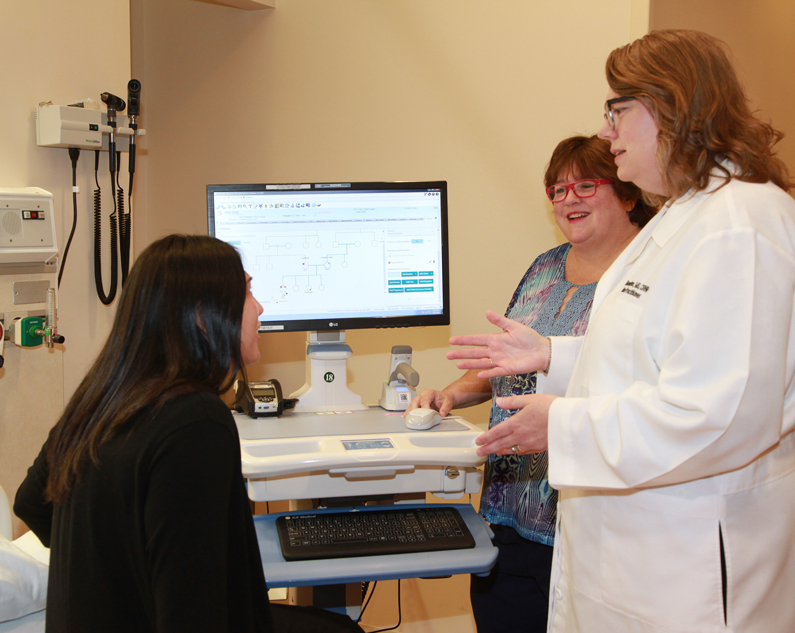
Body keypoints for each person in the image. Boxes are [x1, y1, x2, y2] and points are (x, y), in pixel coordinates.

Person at [448, 30, 795, 632]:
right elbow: (651, 350)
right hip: (635, 559)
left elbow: (718, 413)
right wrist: (549, 353)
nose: (606, 132)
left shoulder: (740, 224)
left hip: (687, 573)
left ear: (671, 107)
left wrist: (559, 423)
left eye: (617, 111)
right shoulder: (684, 216)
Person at [14, 235, 361, 633]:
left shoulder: (101, 398)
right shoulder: (195, 422)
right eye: (248, 293)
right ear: (201, 316)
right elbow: (193, 614)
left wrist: (116, 582)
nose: (260, 308)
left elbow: (32, 504)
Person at [406, 135, 655, 633]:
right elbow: (508, 359)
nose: (568, 200)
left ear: (628, 192)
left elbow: (643, 388)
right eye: (557, 190)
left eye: (585, 185)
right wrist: (452, 394)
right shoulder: (544, 268)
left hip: (582, 520)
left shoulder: (645, 275)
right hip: (506, 512)